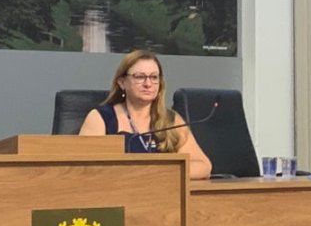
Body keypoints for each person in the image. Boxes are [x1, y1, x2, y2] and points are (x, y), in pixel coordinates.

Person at [78, 49, 212, 179]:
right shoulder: (101, 118)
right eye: (140, 77)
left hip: (162, 191)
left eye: (154, 77)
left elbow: (203, 166)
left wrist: (159, 173)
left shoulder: (171, 120)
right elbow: (83, 168)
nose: (148, 84)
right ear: (122, 82)